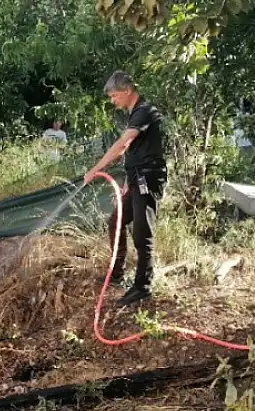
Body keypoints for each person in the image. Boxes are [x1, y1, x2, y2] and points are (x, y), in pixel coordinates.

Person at [84, 70, 167, 306]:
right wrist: (125, 184)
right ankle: (117, 273)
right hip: (136, 179)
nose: (113, 101)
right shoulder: (135, 114)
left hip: (148, 180)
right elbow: (134, 153)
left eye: (114, 96)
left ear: (127, 90)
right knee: (116, 221)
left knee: (142, 232)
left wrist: (95, 169)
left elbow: (122, 145)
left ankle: (143, 286)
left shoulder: (145, 111)